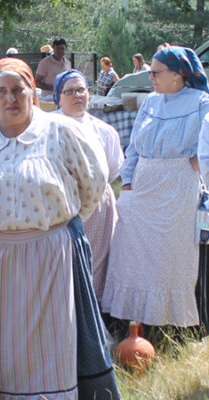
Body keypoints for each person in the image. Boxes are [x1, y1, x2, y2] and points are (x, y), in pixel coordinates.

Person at [0, 57, 119, 399]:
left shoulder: (61, 133)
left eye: (18, 90)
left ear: (33, 93)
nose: (10, 98)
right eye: (2, 91)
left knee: (48, 344)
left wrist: (53, 227)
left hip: (47, 256)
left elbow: (92, 185)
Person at [103, 45, 209, 328]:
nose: (150, 78)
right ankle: (130, 317)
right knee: (129, 251)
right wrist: (127, 182)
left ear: (177, 75)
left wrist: (198, 159)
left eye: (155, 72)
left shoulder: (201, 101)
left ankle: (166, 323)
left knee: (168, 257)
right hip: (143, 184)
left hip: (178, 187)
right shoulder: (150, 102)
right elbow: (135, 146)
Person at [53, 69, 124, 305]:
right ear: (58, 97)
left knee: (97, 258)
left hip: (97, 207)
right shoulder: (47, 128)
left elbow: (113, 168)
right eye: (70, 91)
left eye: (81, 89)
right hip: (59, 206)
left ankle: (98, 316)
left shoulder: (104, 131)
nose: (77, 95)